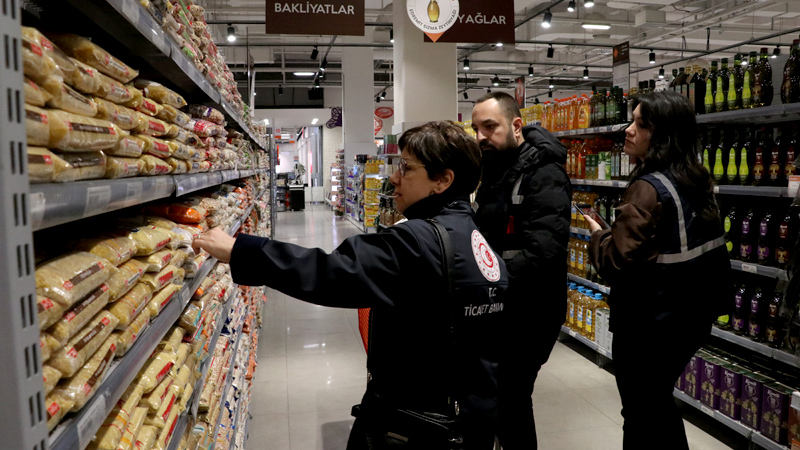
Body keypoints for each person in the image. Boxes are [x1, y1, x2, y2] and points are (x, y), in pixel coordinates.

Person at [193, 121, 508, 450]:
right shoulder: (476, 239)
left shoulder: (417, 241)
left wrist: (241, 251)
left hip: (415, 424)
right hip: (471, 420)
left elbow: (331, 272)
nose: (393, 177)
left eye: (406, 168)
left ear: (442, 180)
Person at [584, 91, 730, 449]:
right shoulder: (696, 181)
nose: (629, 130)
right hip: (689, 320)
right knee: (657, 404)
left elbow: (616, 262)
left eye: (641, 124)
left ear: (663, 134)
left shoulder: (647, 190)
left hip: (647, 326)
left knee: (640, 412)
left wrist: (598, 236)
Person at [470, 92, 571, 449]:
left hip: (533, 309)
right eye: (476, 128)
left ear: (516, 126)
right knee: (500, 396)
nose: (481, 136)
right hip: (505, 303)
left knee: (511, 396)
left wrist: (488, 279)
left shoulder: (544, 173)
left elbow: (544, 250)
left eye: (490, 126)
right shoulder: (496, 168)